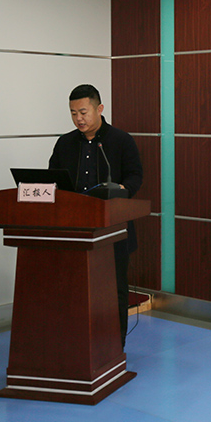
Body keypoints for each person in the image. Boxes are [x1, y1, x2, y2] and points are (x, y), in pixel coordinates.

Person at [48, 84, 142, 347]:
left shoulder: (121, 140)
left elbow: (135, 175)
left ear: (99, 108)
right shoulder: (65, 143)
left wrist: (123, 189)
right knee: (75, 290)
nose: (78, 118)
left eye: (83, 112)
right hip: (75, 229)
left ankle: (114, 346)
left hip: (113, 228)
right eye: (73, 113)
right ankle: (77, 344)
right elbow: (52, 178)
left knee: (114, 290)